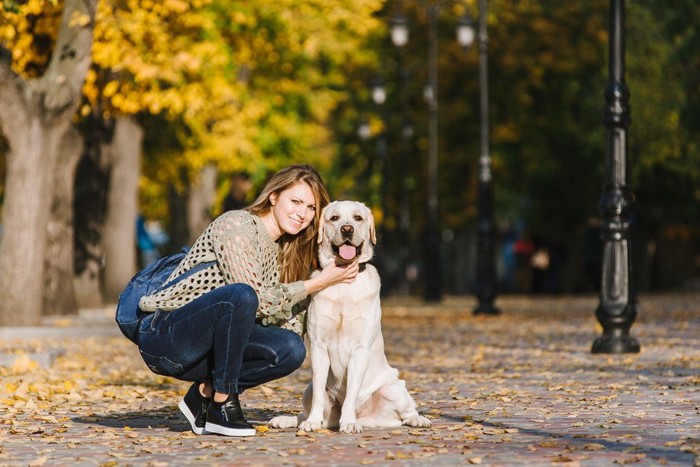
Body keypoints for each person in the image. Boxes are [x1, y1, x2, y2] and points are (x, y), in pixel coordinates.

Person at [136, 165, 359, 437]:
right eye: (296, 201)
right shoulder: (237, 226)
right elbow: (258, 300)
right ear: (274, 196)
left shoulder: (286, 252)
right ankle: (221, 404)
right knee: (241, 295)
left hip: (210, 349)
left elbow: (284, 325)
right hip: (168, 334)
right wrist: (319, 282)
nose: (302, 214)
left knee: (290, 349)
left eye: (311, 208)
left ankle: (205, 392)